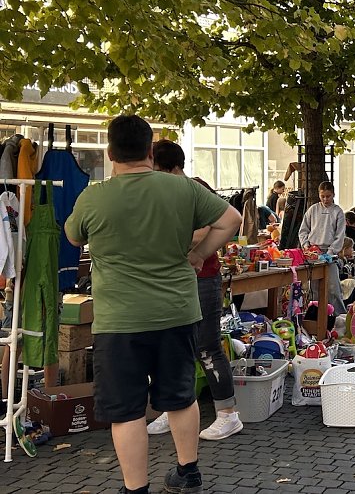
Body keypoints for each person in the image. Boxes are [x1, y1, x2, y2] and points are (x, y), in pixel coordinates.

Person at [65, 115, 242, 494]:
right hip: (177, 312)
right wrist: (198, 254)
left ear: (110, 153)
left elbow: (73, 234)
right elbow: (232, 218)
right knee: (179, 396)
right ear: (150, 150)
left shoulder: (94, 196)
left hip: (119, 321)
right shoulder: (182, 189)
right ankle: (188, 472)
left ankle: (135, 488)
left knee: (126, 410)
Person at [147, 140, 243, 442]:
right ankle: (175, 408)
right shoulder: (156, 192)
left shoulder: (195, 188)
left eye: (155, 169)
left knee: (207, 346)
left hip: (203, 279)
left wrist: (189, 248)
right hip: (170, 279)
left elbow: (215, 226)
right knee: (174, 347)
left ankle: (228, 414)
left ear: (171, 168)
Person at [297, 181, 347, 316]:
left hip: (330, 254)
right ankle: (315, 317)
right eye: (323, 196)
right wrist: (306, 246)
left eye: (328, 196)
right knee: (314, 288)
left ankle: (339, 317)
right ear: (319, 195)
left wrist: (331, 252)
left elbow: (340, 235)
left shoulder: (338, 212)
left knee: (333, 288)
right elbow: (303, 231)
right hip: (313, 252)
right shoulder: (312, 209)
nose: (325, 199)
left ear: (333, 195)